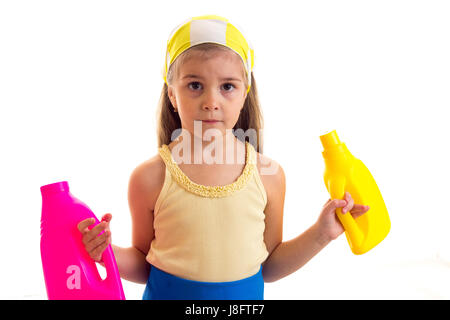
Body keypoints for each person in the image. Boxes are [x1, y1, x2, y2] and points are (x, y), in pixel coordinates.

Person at [77, 14, 370, 300]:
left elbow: (269, 266)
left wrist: (322, 233)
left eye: (227, 86)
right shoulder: (150, 177)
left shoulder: (268, 175)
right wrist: (106, 251)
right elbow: (144, 265)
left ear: (244, 95)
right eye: (194, 86)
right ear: (172, 95)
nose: (211, 102)